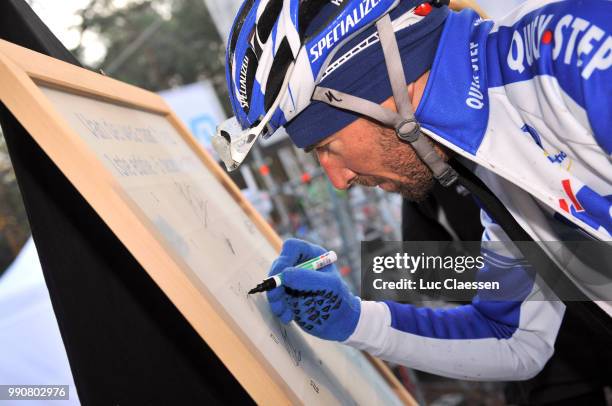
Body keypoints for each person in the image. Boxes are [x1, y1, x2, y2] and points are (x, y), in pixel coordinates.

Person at [214, 0, 611, 402]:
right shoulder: (493, 173)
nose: (338, 180)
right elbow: (514, 337)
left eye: (325, 146)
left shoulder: (575, 55)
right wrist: (353, 319)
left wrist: (388, 270)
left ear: (382, 78)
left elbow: (425, 273)